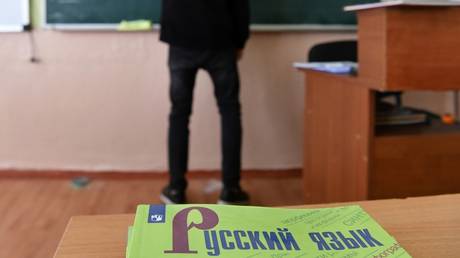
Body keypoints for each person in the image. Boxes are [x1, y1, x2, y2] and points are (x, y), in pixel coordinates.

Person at [159, 0, 251, 205]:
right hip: (221, 38)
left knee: (179, 114)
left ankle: (175, 188)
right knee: (229, 112)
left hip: (180, 38)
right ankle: (231, 189)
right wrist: (240, 41)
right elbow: (241, 4)